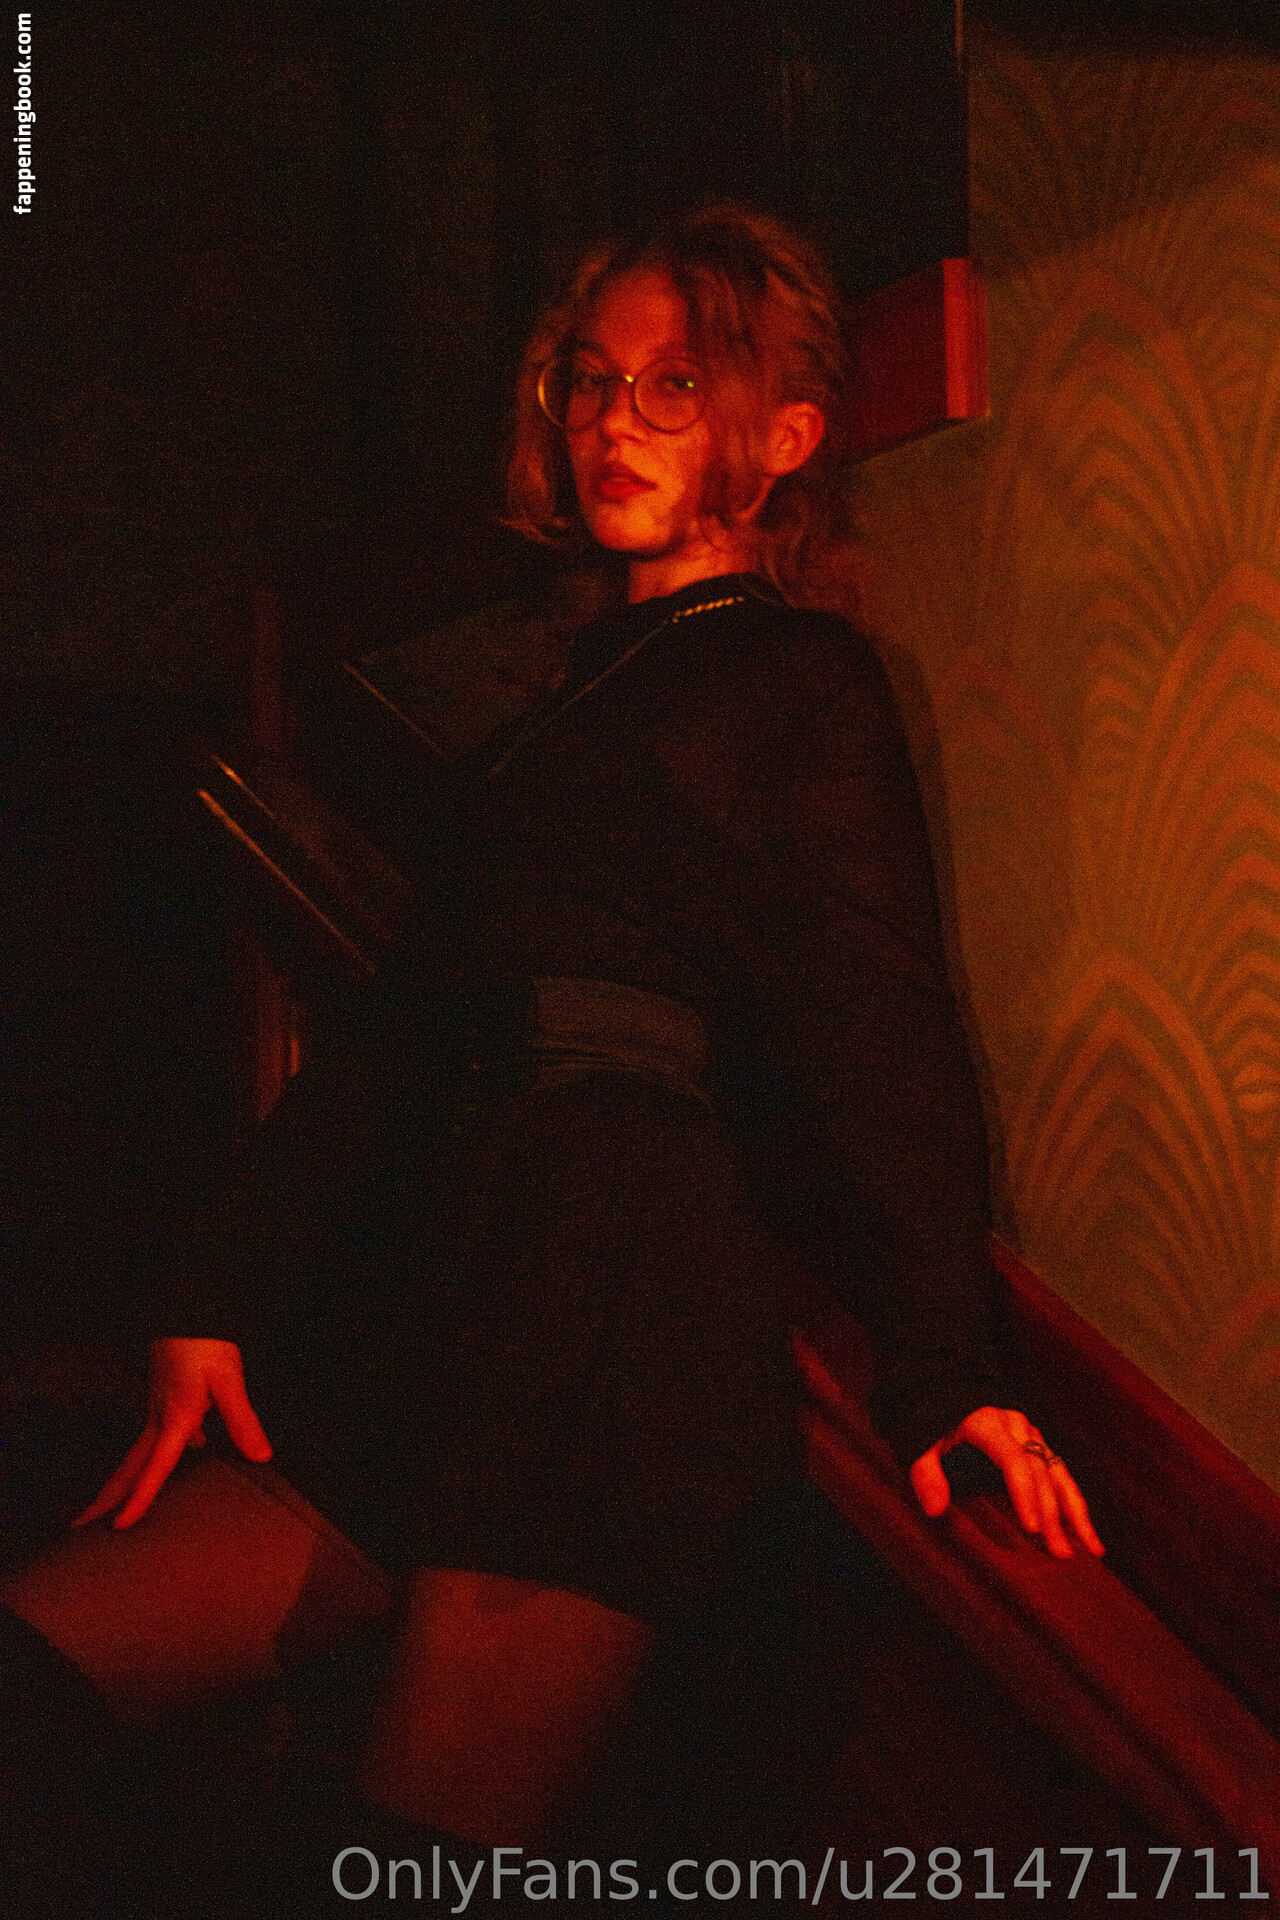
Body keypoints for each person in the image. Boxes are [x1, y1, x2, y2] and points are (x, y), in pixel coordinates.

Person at [1, 204, 1102, 1915]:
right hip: (433, 1301)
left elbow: (881, 1027)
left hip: (611, 1308)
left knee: (388, 1874)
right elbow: (398, 1038)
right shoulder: (562, 700)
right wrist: (212, 1283)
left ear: (787, 435)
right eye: (593, 381)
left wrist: (952, 1372)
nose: (613, 422)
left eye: (675, 386)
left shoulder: (799, 676)